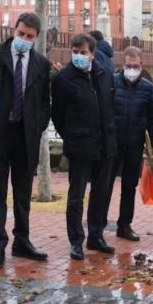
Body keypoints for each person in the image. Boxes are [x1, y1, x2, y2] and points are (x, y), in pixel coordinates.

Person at [0, 12, 52, 269]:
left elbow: (44, 101)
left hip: (25, 136)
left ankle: (23, 240)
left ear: (37, 37)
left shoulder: (41, 63)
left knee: (22, 193)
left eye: (30, 36)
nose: (24, 39)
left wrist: (38, 124)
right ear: (13, 30)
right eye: (21, 34)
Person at [51, 33, 116, 260]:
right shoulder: (64, 79)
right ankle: (76, 240)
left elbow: (110, 105)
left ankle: (96, 236)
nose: (78, 56)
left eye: (83, 53)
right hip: (80, 146)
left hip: (105, 145)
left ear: (92, 54)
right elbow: (57, 115)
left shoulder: (105, 74)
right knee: (76, 196)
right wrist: (71, 136)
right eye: (75, 52)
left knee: (101, 193)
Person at [104, 46, 153, 241]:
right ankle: (98, 222)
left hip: (134, 144)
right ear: (122, 65)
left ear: (141, 65)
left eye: (135, 66)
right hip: (112, 144)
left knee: (129, 186)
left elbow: (151, 115)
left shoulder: (147, 87)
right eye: (128, 65)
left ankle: (124, 225)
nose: (132, 69)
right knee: (105, 184)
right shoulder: (111, 82)